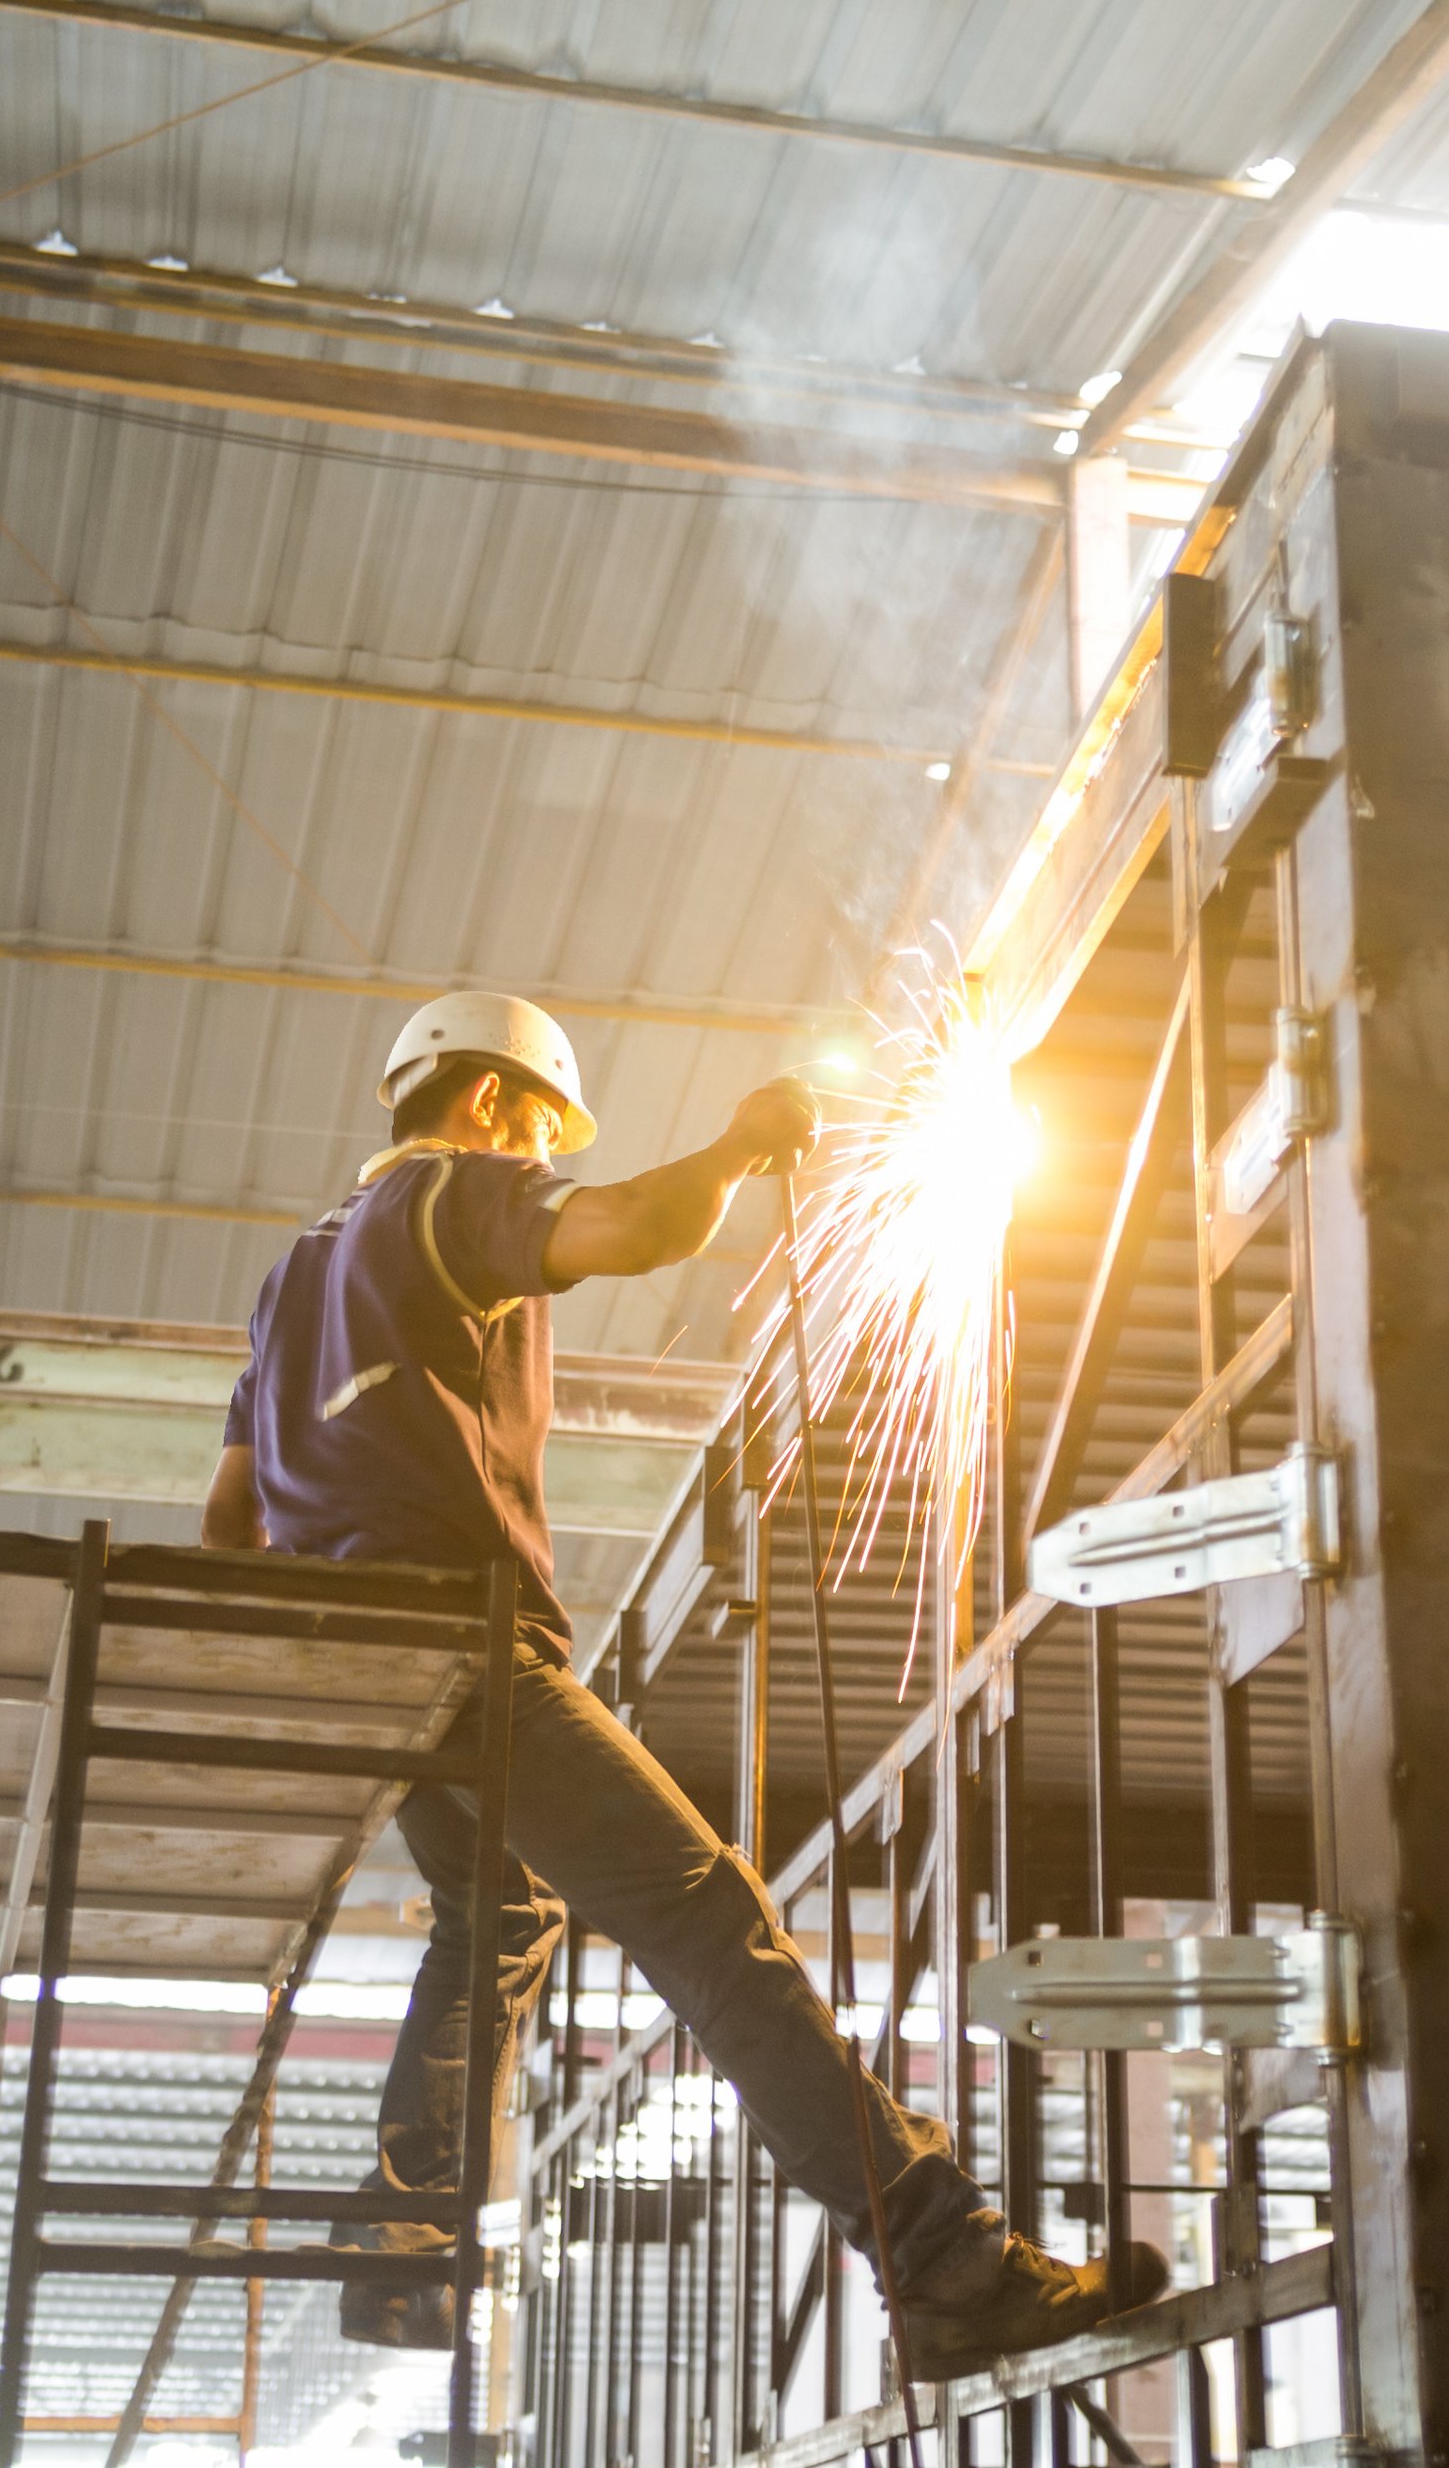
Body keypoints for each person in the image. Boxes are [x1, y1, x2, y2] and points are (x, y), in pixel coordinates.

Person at [207, 990, 1165, 2378]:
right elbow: (638, 1229)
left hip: (364, 1676)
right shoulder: (451, 1194)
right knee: (715, 1919)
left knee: (497, 1914)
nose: (537, 1158)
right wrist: (734, 1145)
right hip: (459, 1645)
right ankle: (946, 2262)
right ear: (487, 1103)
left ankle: (408, 2236)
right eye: (537, 1130)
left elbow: (227, 1528)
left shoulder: (289, 1282)